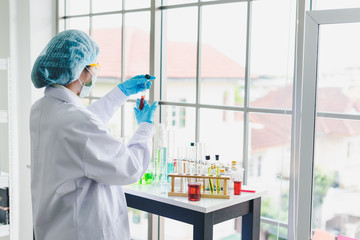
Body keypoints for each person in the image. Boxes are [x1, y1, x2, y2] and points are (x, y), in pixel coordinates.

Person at [30, 29, 158, 240]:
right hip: (83, 231)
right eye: (94, 67)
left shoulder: (41, 109)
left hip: (54, 228)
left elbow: (83, 126)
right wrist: (145, 127)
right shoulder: (78, 122)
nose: (94, 74)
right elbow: (131, 168)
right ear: (79, 71)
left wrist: (120, 93)